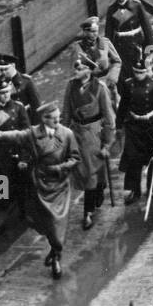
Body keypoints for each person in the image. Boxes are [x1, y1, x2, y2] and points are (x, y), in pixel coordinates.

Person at [0, 100, 80, 279]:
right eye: (53, 119)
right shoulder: (34, 134)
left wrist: (60, 168)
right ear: (44, 119)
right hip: (41, 184)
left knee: (57, 223)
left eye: (58, 118)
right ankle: (54, 248)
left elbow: (75, 158)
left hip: (59, 185)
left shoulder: (67, 134)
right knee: (46, 222)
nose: (57, 122)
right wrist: (0, 136)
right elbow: (18, 135)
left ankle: (56, 254)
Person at [61, 55, 116, 230]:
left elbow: (109, 118)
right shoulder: (71, 86)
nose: (75, 72)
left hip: (94, 133)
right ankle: (97, 191)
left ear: (88, 71)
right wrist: (62, 135)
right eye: (75, 69)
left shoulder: (99, 88)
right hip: (77, 133)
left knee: (91, 171)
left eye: (79, 69)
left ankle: (88, 211)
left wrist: (107, 143)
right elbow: (66, 112)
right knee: (85, 172)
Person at [0, 76, 30, 234]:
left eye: (8, 91)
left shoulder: (19, 108)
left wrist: (24, 158)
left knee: (21, 187)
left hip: (16, 154)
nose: (6, 95)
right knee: (1, 190)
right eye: (2, 93)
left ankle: (25, 213)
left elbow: (26, 135)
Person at [116, 47, 153, 205]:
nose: (138, 76)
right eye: (136, 72)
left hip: (151, 126)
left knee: (151, 158)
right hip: (134, 125)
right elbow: (123, 106)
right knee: (133, 159)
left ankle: (151, 187)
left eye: (141, 73)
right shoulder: (128, 85)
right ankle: (134, 190)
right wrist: (118, 126)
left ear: (146, 72)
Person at [105, 0, 153, 82]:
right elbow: (108, 34)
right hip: (121, 48)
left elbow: (147, 29)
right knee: (124, 77)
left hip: (137, 46)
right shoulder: (112, 9)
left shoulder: (136, 5)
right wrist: (109, 54)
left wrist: (150, 49)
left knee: (141, 75)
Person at [76, 15, 121, 108]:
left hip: (109, 82)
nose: (95, 34)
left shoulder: (105, 42)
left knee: (115, 105)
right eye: (92, 31)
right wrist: (90, 74)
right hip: (92, 85)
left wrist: (112, 77)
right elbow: (76, 70)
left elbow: (117, 61)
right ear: (85, 32)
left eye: (96, 30)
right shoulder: (79, 47)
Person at [0, 52, 41, 122]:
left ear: (13, 65)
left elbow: (36, 105)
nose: (3, 72)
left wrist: (35, 125)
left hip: (26, 119)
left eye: (6, 69)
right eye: (1, 70)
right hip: (7, 122)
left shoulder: (26, 81)